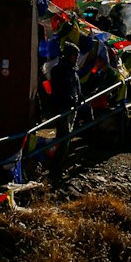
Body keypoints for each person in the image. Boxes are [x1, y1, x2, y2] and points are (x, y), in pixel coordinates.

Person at [48, 42, 84, 177]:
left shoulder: (73, 69)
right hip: (62, 106)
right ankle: (56, 165)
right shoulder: (58, 70)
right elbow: (59, 90)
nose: (76, 58)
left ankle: (58, 162)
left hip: (72, 106)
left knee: (66, 136)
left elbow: (76, 86)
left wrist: (80, 96)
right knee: (64, 136)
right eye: (74, 55)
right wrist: (68, 99)